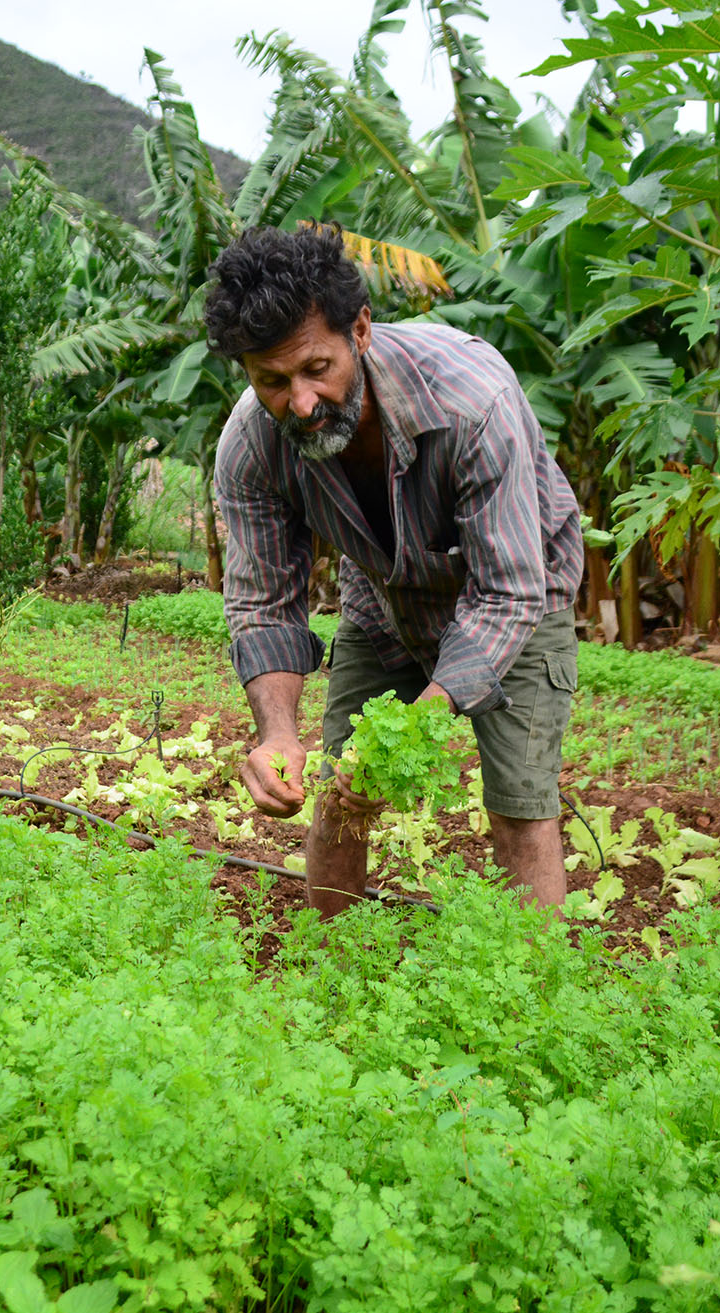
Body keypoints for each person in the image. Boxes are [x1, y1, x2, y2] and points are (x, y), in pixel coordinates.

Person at [206, 224, 585, 917]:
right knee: (338, 794)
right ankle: (332, 960)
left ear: (360, 330)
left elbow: (505, 592)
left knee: (518, 806)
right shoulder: (250, 446)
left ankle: (536, 1002)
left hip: (517, 597)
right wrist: (277, 735)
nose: (299, 403)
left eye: (316, 368)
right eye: (270, 380)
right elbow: (263, 605)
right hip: (381, 598)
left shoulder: (471, 400)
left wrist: (408, 737)